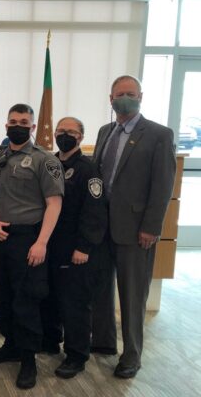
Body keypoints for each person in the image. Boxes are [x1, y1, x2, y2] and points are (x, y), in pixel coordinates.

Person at [92, 75, 176, 379]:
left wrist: (151, 227)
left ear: (141, 96)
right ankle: (102, 343)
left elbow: (163, 185)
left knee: (132, 296)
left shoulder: (158, 134)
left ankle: (131, 355)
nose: (124, 98)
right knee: (100, 291)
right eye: (119, 94)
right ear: (110, 98)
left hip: (136, 230)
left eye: (130, 93)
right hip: (103, 230)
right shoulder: (104, 132)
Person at [0, 103, 63, 390]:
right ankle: (11, 346)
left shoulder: (45, 160)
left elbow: (54, 203)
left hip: (29, 239)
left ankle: (29, 360)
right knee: (0, 296)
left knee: (26, 301)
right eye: (13, 120)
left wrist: (42, 242)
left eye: (24, 121)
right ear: (6, 125)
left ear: (32, 127)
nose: (18, 125)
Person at [39, 117, 108, 379]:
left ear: (81, 137)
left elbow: (95, 211)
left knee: (74, 304)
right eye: (60, 131)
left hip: (74, 249)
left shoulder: (88, 169)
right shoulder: (49, 163)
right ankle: (50, 341)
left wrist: (84, 246)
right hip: (49, 246)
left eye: (70, 132)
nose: (64, 135)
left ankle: (77, 355)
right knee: (50, 297)